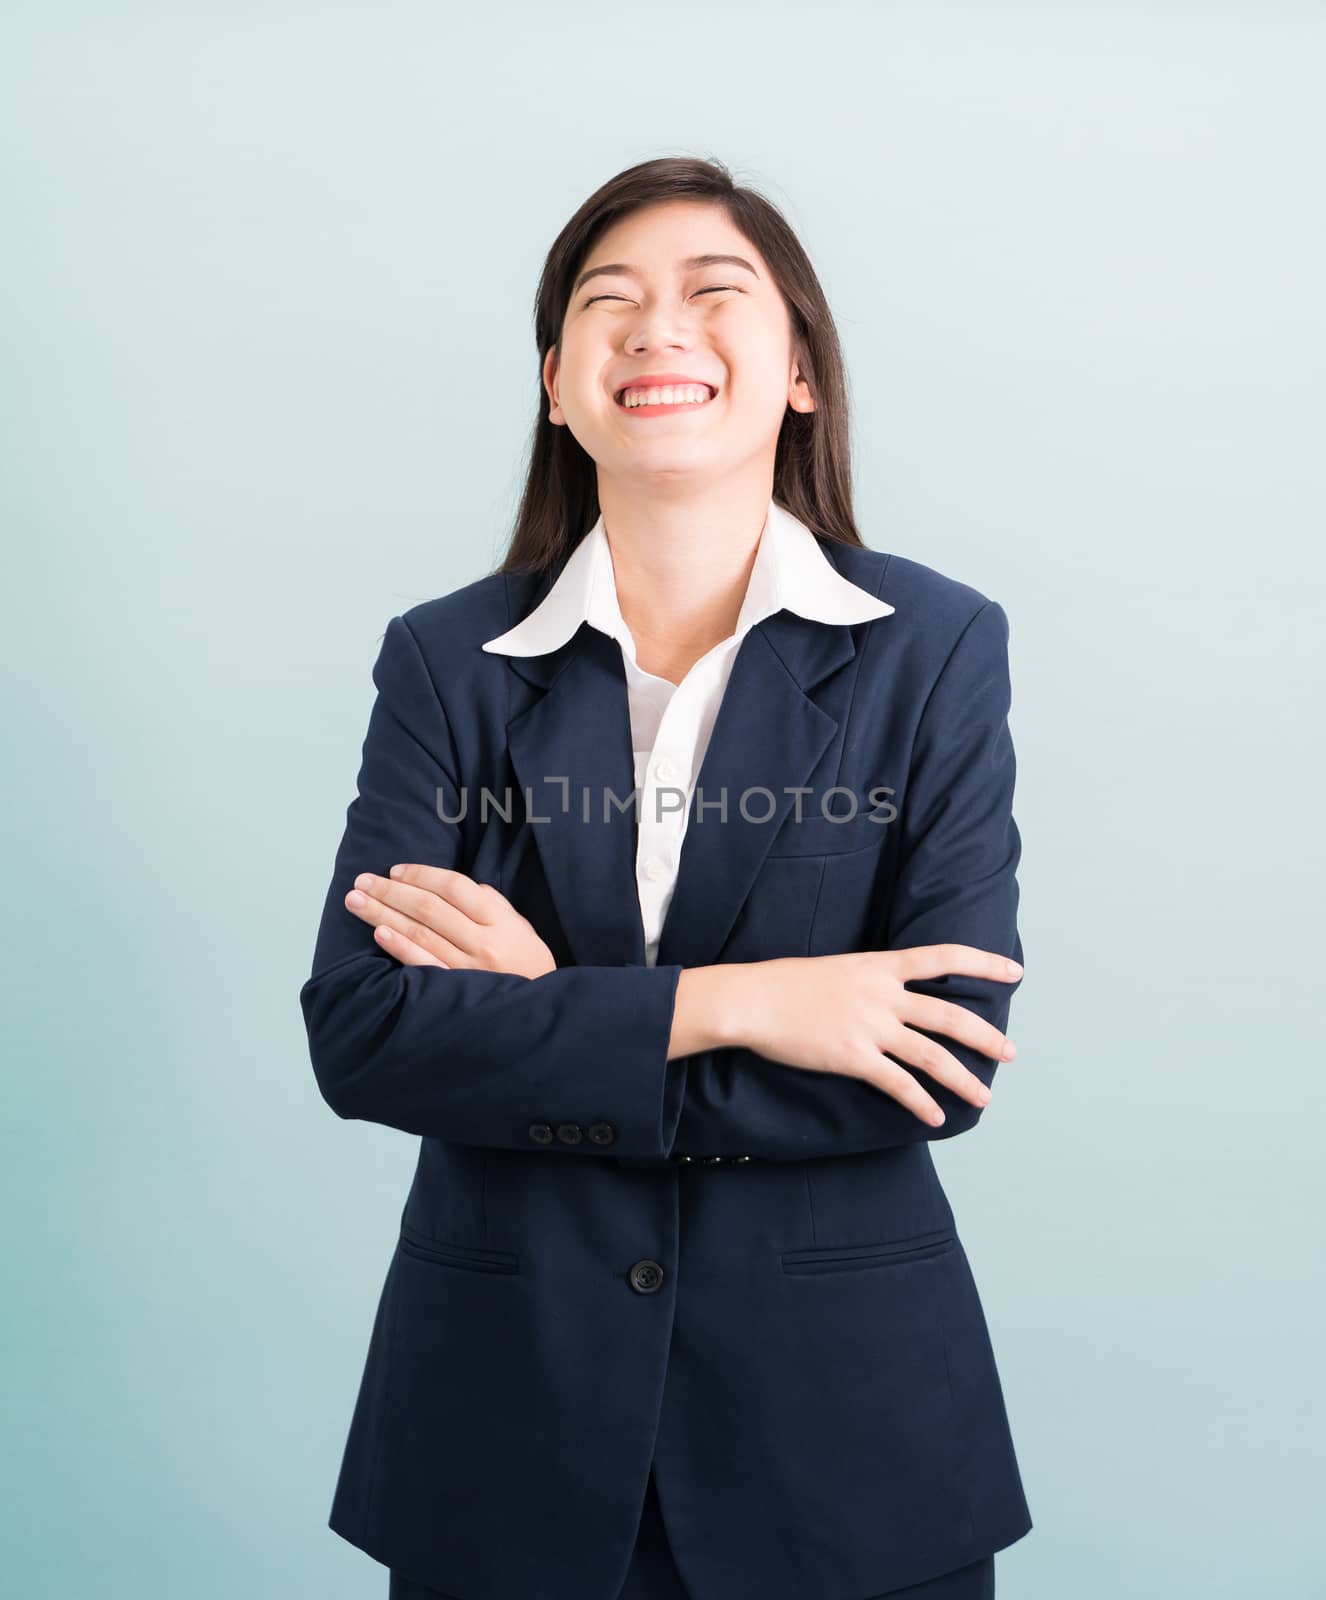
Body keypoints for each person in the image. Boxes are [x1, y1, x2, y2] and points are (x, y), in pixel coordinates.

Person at [300, 155, 1032, 1600]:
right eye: (607, 302)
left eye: (714, 294)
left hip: (846, 1440)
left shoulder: (933, 648)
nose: (657, 329)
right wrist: (745, 1002)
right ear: (556, 385)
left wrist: (541, 1024)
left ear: (801, 370)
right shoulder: (447, 663)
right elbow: (369, 1036)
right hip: (503, 1424)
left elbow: (932, 1059)